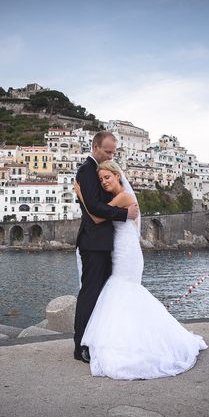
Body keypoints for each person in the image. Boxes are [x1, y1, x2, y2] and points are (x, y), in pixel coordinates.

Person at [74, 160, 207, 380]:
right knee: (118, 293)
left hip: (126, 254)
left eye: (107, 177)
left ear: (118, 176)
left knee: (123, 291)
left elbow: (97, 216)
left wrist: (81, 195)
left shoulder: (125, 197)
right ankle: (124, 338)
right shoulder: (114, 198)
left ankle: (132, 342)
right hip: (118, 250)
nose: (104, 182)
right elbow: (103, 211)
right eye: (100, 179)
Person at [73, 131, 139, 363]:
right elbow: (94, 209)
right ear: (95, 147)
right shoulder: (87, 171)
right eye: (107, 151)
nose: (111, 155)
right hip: (93, 243)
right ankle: (80, 345)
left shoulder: (98, 171)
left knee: (102, 294)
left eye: (113, 152)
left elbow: (97, 204)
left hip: (104, 243)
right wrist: (124, 213)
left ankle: (96, 340)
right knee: (90, 294)